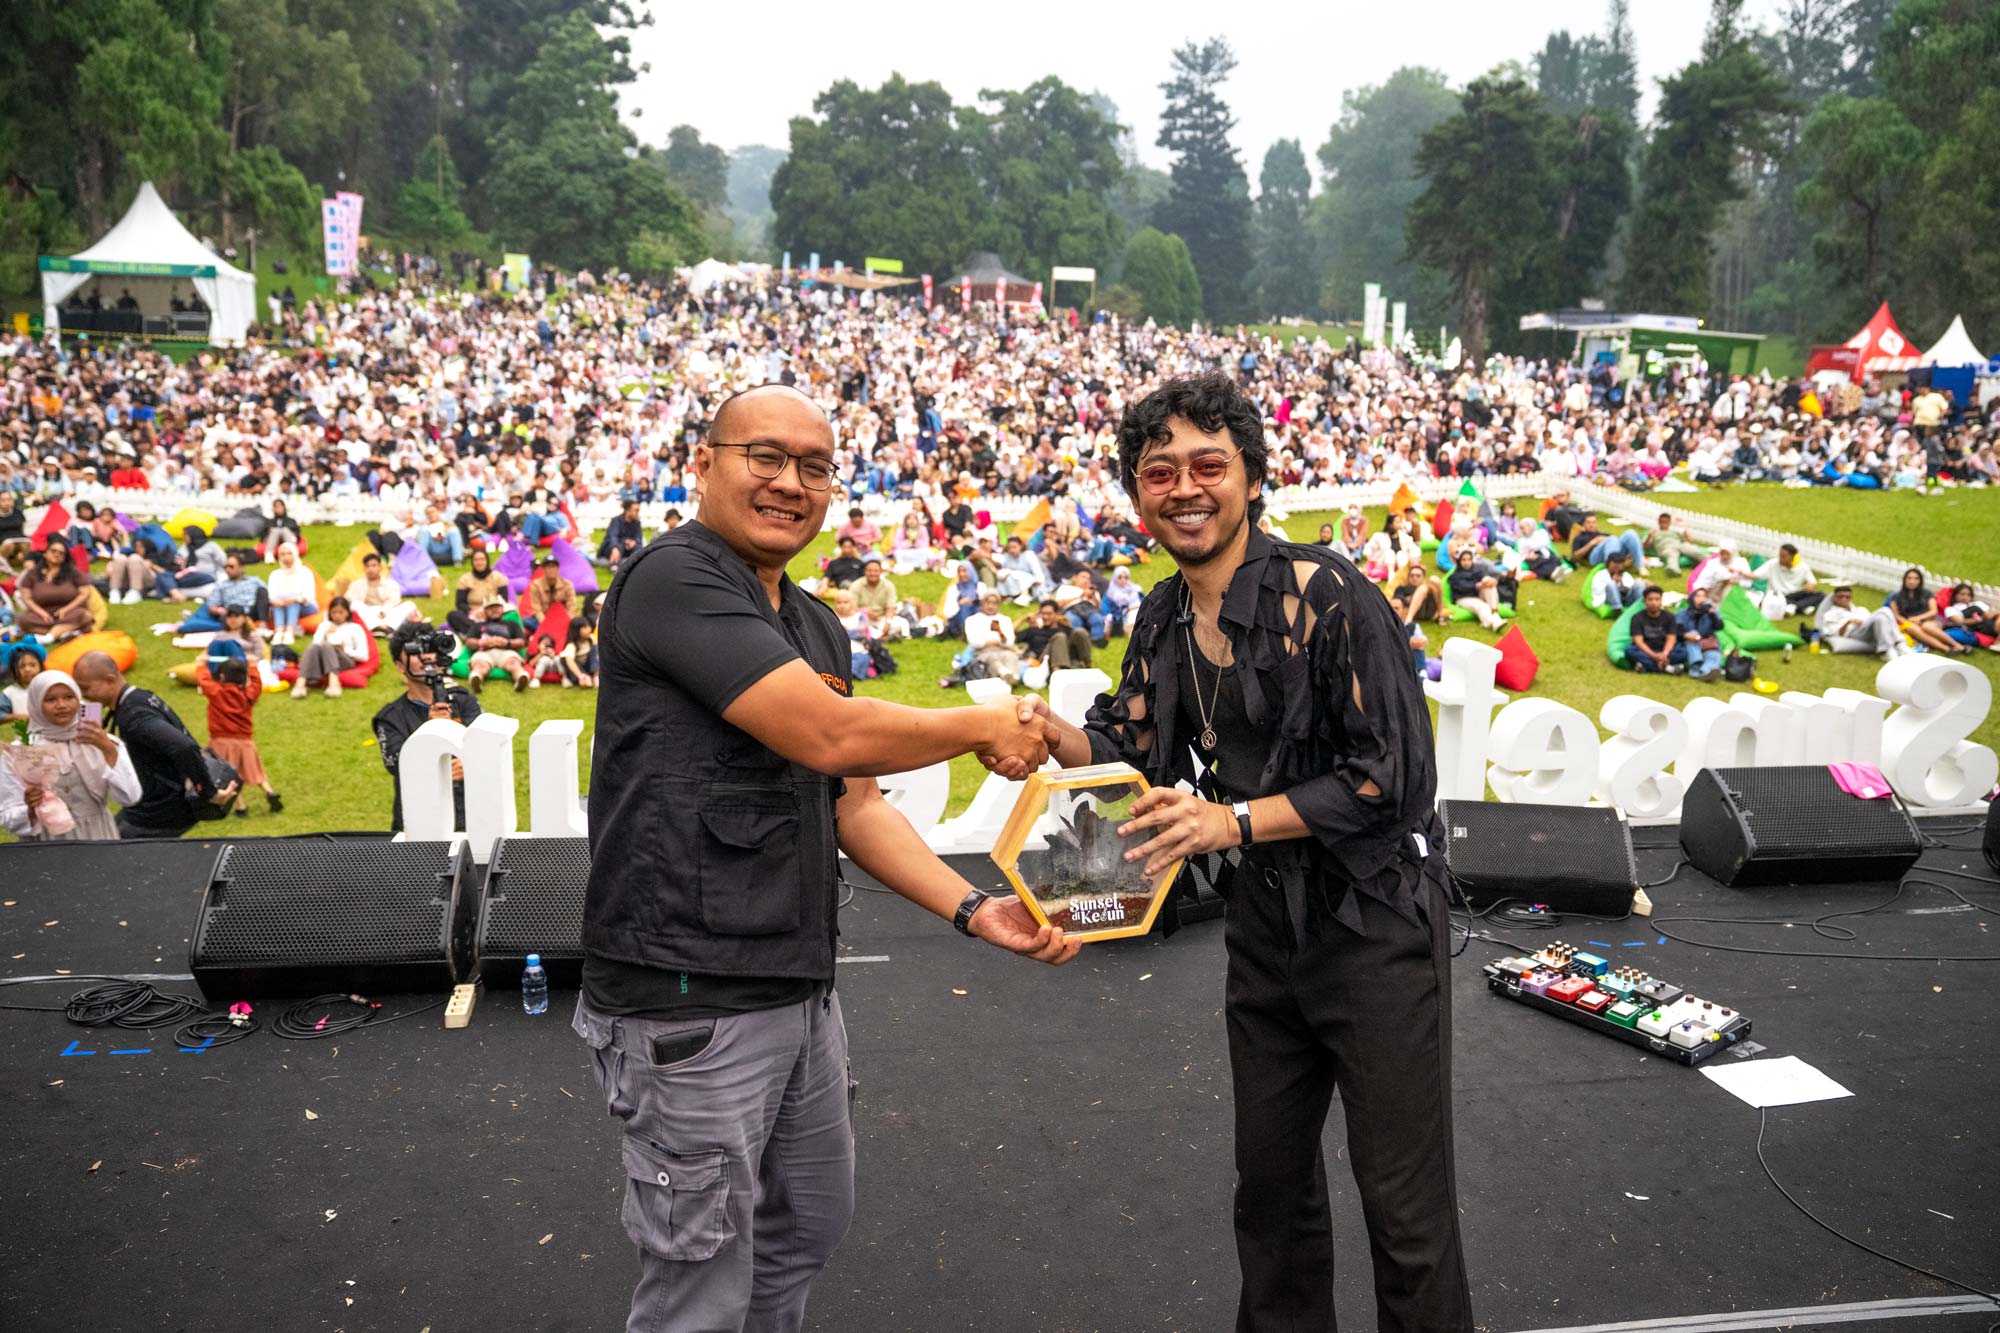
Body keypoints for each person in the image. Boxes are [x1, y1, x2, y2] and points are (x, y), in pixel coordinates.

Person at [575, 382, 1072, 1333]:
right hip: (688, 995)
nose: (789, 483)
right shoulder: (673, 579)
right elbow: (830, 735)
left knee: (805, 1226)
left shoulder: (810, 622)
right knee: (699, 1281)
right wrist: (982, 721)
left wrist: (974, 910)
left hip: (797, 989)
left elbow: (854, 802)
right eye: (764, 456)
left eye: (814, 466)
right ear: (703, 464)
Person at [1011, 373, 1471, 1332]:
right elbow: (1134, 754)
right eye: (1159, 470)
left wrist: (1234, 819)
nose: (1186, 487)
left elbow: (1393, 779)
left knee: (1405, 1209)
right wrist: (1057, 736)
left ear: (1252, 478)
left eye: (1208, 464)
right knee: (1269, 1191)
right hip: (1266, 935)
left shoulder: (1333, 595)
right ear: (1136, 496)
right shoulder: (1164, 616)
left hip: (1375, 926)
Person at [71, 650, 237, 839]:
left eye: (85, 688)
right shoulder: (140, 696)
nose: (83, 696)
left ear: (109, 680)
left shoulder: (134, 716)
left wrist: (208, 792)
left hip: (161, 812)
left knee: (113, 852)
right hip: (150, 806)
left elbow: (184, 747)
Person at [0, 669, 142, 840]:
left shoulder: (103, 742)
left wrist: (108, 750)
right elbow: (8, 816)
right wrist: (31, 808)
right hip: (44, 844)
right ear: (36, 703)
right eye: (50, 699)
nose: (61, 705)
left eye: (69, 697)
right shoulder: (20, 751)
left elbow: (131, 797)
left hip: (97, 838)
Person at [372, 620, 482, 833]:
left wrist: (468, 763)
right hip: (417, 822)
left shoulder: (464, 701)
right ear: (399, 665)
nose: (428, 657)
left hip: (470, 818)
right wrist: (429, 731)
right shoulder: (390, 718)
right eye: (417, 651)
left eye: (432, 648)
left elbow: (486, 748)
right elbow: (395, 764)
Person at [196, 655, 280, 816]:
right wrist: (254, 666)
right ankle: (269, 791)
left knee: (231, 775)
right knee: (255, 770)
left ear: (221, 676)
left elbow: (203, 680)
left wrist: (202, 664)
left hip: (221, 741)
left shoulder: (216, 692)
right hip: (245, 740)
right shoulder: (248, 695)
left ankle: (241, 807)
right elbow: (257, 684)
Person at [15, 536, 94, 637]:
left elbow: (85, 593)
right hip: (42, 614)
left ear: (65, 557)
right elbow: (26, 597)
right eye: (53, 551)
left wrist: (66, 609)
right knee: (25, 620)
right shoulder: (32, 573)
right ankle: (65, 631)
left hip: (69, 612)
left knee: (83, 615)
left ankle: (49, 636)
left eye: (61, 553)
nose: (57, 554)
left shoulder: (73, 572)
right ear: (45, 553)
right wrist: (40, 612)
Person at [293, 596, 368, 698]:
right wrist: (324, 635)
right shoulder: (325, 625)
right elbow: (315, 646)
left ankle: (334, 682)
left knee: (328, 646)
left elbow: (364, 655)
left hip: (345, 659)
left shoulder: (355, 628)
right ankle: (300, 684)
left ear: (347, 613)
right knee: (317, 646)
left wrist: (344, 649)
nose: (337, 616)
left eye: (341, 612)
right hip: (323, 659)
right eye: (334, 612)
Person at [1815, 585, 1907, 659]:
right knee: (1885, 610)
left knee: (1881, 618)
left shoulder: (1860, 610)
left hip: (1868, 630)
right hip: (1854, 634)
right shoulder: (1831, 614)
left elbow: (1877, 623)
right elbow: (1837, 633)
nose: (1844, 599)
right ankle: (1900, 643)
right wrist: (1848, 623)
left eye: (1847, 597)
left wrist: (1863, 622)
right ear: (1834, 598)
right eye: (1840, 597)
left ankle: (1886, 651)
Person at [465, 596, 532, 692]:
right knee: (481, 665)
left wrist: (507, 643)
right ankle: (476, 679)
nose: (494, 610)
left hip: (506, 651)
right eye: (491, 608)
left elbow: (522, 642)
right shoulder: (478, 625)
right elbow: (469, 642)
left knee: (513, 663)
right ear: (485, 611)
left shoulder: (512, 624)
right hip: (484, 651)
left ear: (502, 608)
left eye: (497, 607)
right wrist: (482, 642)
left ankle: (521, 677)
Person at [1890, 567, 1962, 653]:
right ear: (1904, 580)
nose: (1912, 581)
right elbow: (1896, 615)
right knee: (1912, 628)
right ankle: (1945, 648)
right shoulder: (1896, 596)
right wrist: (1910, 621)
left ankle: (1957, 645)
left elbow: (1933, 611)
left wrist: (1918, 618)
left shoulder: (1927, 593)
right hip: (1909, 623)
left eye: (1916, 578)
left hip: (1930, 620)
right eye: (1909, 578)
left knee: (1927, 626)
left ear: (1920, 581)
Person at [1752, 543, 1823, 618]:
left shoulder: (1803, 567)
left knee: (1821, 595)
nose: (1780, 558)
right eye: (1779, 555)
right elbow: (1755, 575)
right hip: (1778, 595)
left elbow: (1811, 582)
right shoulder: (1772, 564)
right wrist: (1741, 574)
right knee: (1777, 600)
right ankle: (1802, 606)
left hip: (1794, 594)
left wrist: (1809, 586)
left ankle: (1795, 606)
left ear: (1792, 557)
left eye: (1783, 556)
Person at [266, 543, 318, 643]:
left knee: (293, 599)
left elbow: (309, 595)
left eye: (289, 554)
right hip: (281, 606)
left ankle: (289, 631)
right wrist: (278, 602)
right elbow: (271, 596)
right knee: (280, 599)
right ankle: (279, 631)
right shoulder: (275, 574)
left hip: (306, 606)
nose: (286, 557)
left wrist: (294, 599)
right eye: (283, 554)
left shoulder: (305, 572)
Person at [1676, 586, 1726, 680]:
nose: (1701, 599)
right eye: (1698, 596)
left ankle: (1704, 672)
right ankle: (1695, 668)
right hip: (1688, 644)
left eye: (1704, 596)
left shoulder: (1711, 612)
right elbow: (1677, 630)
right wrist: (1688, 636)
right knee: (1693, 633)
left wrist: (1712, 614)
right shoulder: (1683, 613)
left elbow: (1720, 627)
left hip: (1707, 643)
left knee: (1714, 655)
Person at [456, 546, 509, 616]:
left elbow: (503, 599)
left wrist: (488, 612)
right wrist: (471, 612)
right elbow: (460, 603)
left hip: (494, 613)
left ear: (487, 561)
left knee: (512, 613)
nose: (479, 563)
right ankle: (477, 626)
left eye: (482, 559)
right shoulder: (465, 579)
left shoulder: (498, 577)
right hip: (473, 613)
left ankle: (476, 626)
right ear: (472, 562)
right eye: (476, 560)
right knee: (454, 615)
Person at [4, 640, 46, 724]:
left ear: (41, 666)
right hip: (25, 736)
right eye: (22, 666)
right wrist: (15, 716)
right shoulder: (10, 693)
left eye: (32, 665)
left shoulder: (49, 687)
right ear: (13, 671)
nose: (27, 669)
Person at [597, 499, 647, 569]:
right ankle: (615, 565)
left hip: (628, 548)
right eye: (636, 510)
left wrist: (634, 542)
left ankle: (632, 565)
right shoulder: (616, 521)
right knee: (618, 546)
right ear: (628, 511)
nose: (638, 513)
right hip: (612, 548)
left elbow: (639, 538)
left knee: (638, 547)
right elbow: (613, 537)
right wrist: (615, 547)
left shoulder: (637, 523)